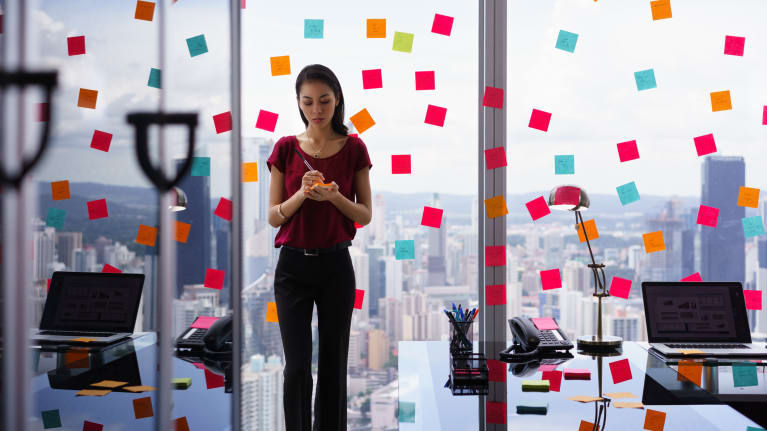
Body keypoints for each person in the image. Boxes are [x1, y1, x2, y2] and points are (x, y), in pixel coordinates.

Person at [266, 64, 372, 431]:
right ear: (298, 103)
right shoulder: (285, 148)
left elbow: (364, 213)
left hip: (336, 269)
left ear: (337, 100)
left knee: (332, 365)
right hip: (292, 269)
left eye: (324, 101)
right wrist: (302, 194)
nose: (317, 110)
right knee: (296, 368)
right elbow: (274, 217)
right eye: (308, 102)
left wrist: (335, 196)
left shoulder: (354, 147)